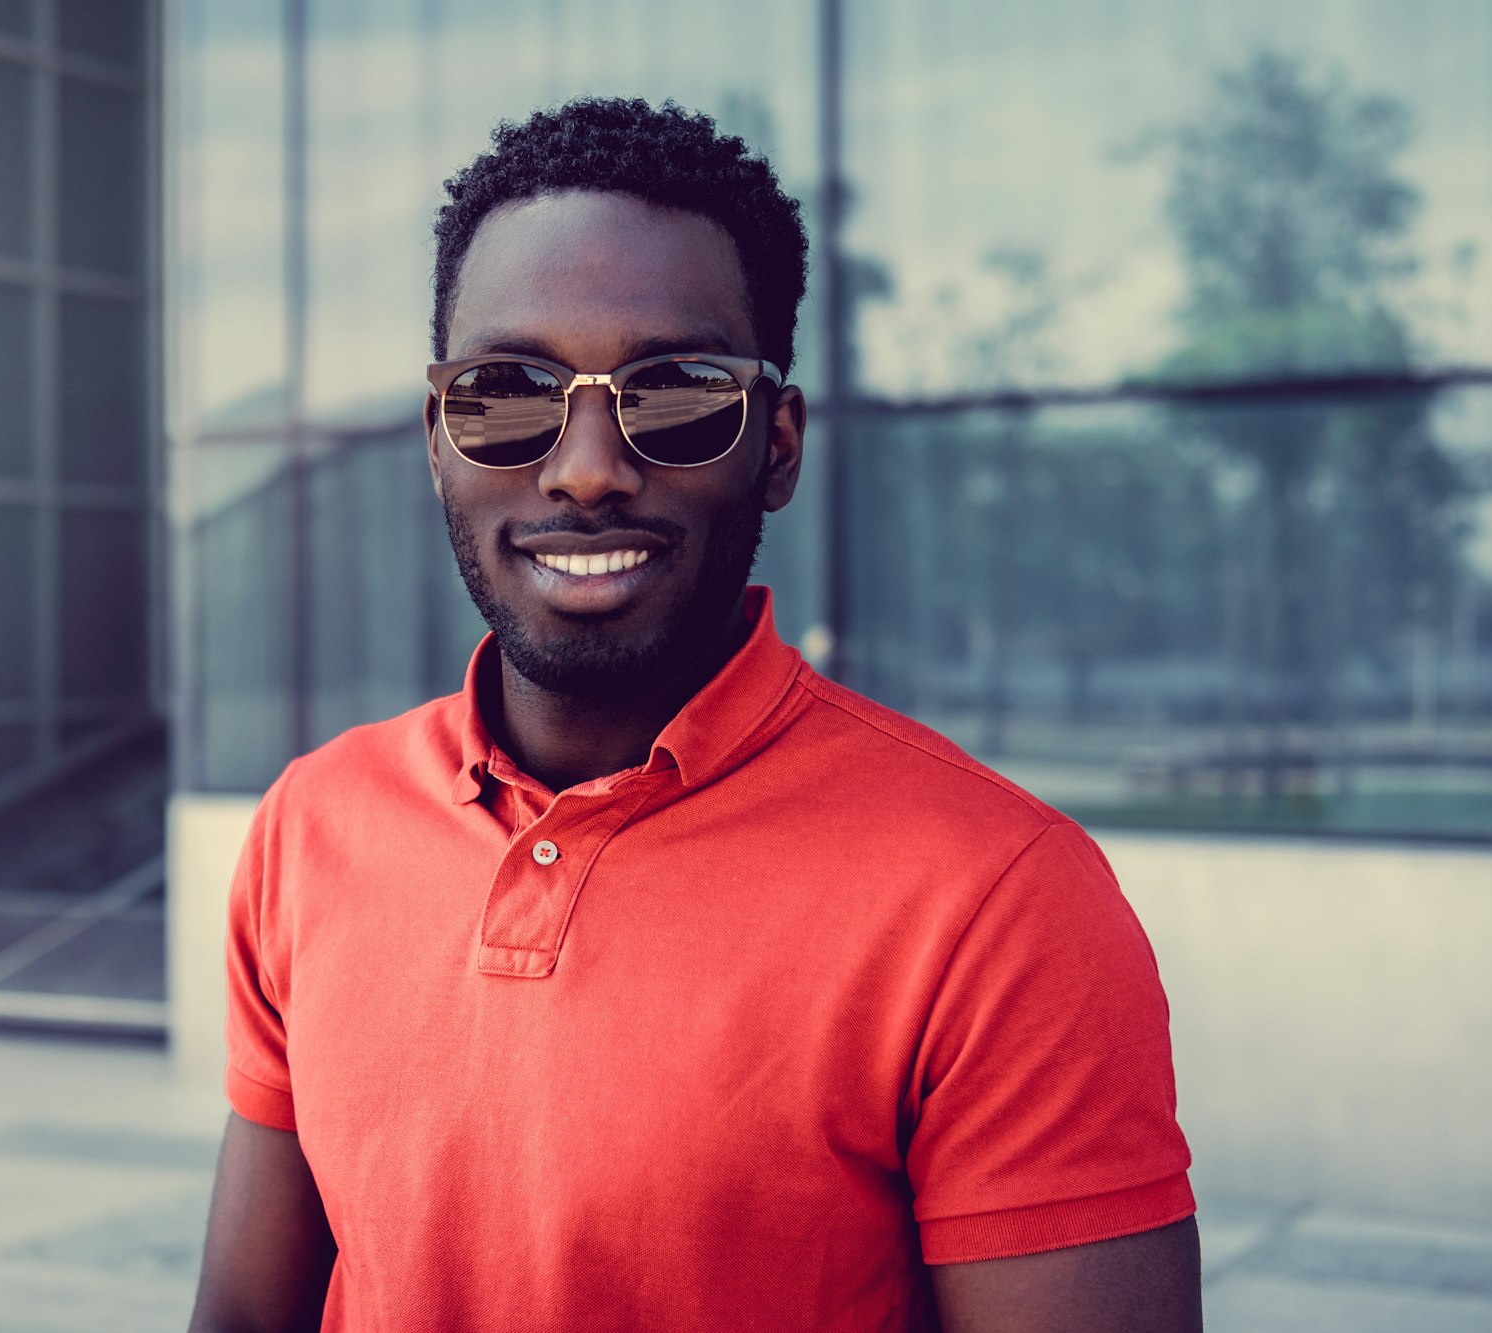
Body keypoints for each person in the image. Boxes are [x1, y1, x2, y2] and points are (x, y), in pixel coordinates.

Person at [190, 96, 1200, 1332]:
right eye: (506, 391)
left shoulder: (999, 898)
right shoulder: (311, 824)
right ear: (438, 439)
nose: (584, 466)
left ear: (774, 445)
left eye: (674, 392)